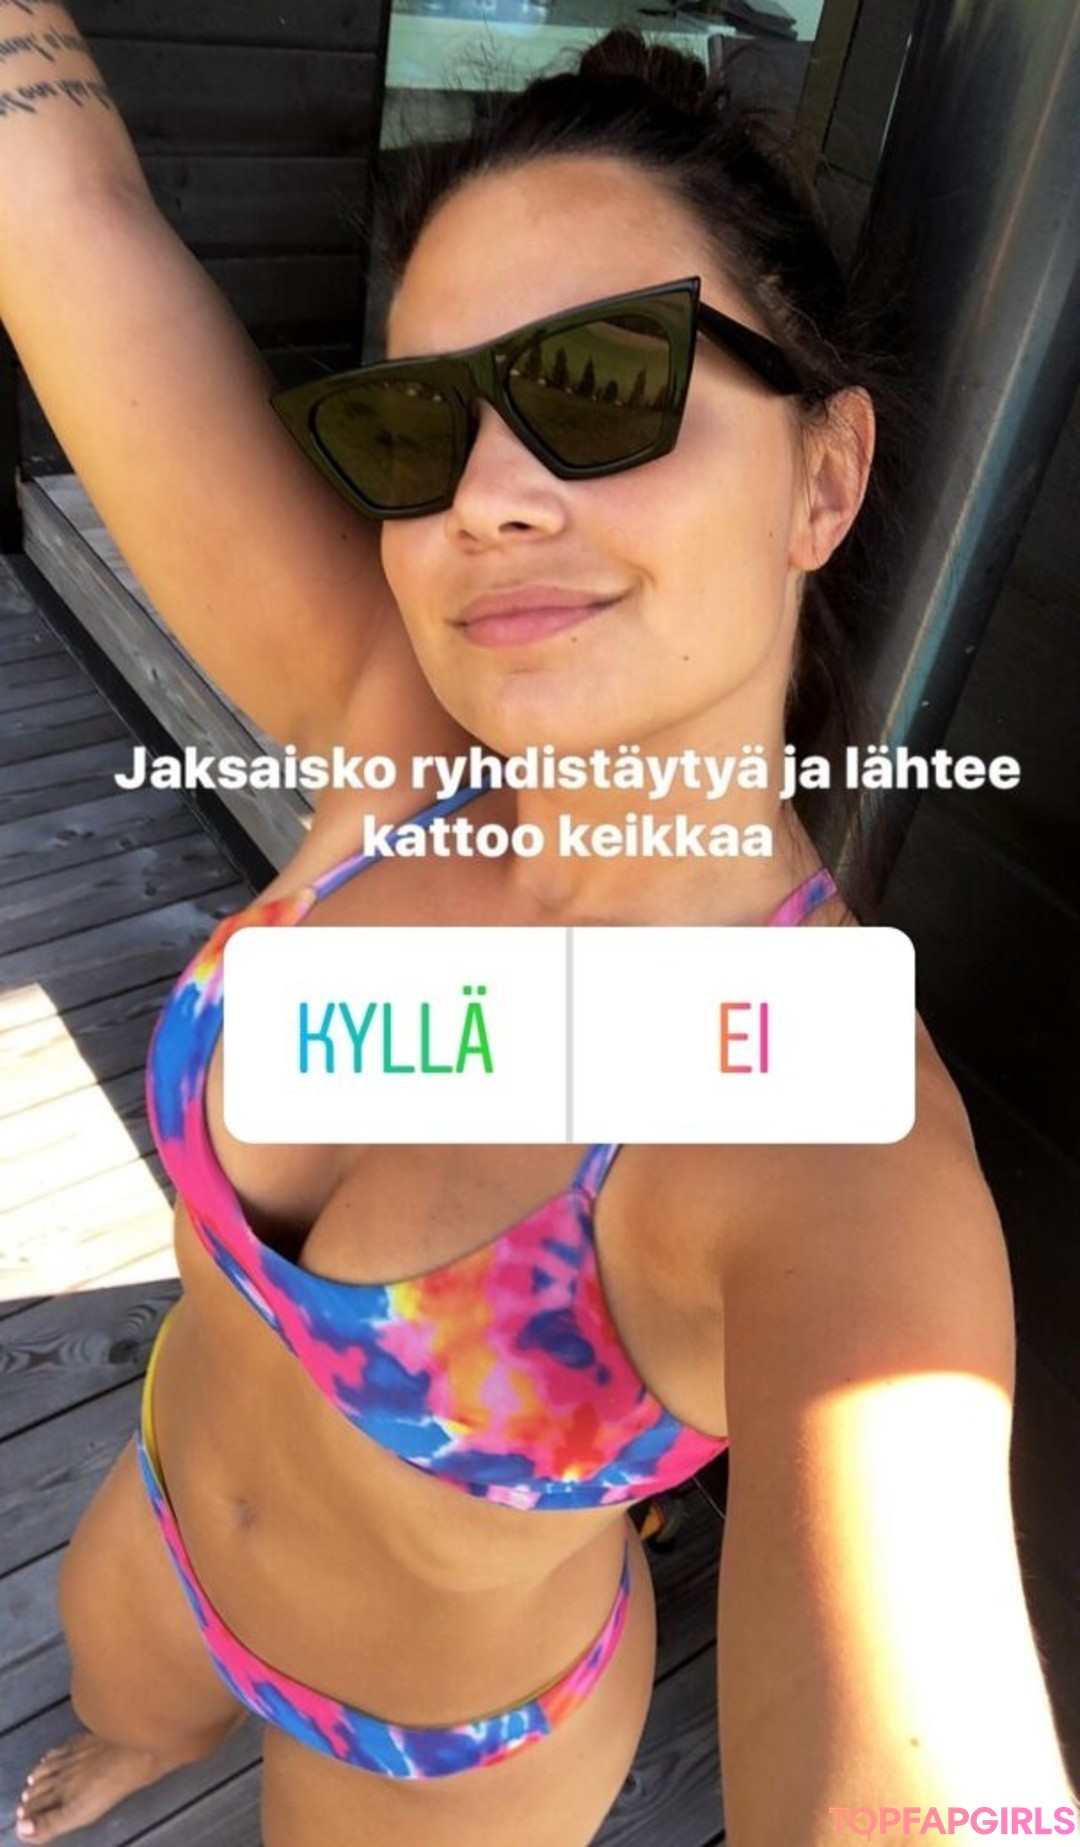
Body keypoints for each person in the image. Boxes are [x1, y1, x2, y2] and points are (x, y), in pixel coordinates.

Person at [2, 14, 1074, 1845]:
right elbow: (63, 213)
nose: (488, 500)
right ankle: (138, 1745)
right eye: (419, 425)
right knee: (115, 1716)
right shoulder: (400, 747)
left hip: (434, 1751)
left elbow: (926, 1773)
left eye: (600, 381)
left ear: (824, 476)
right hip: (159, 1533)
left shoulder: (821, 1130)